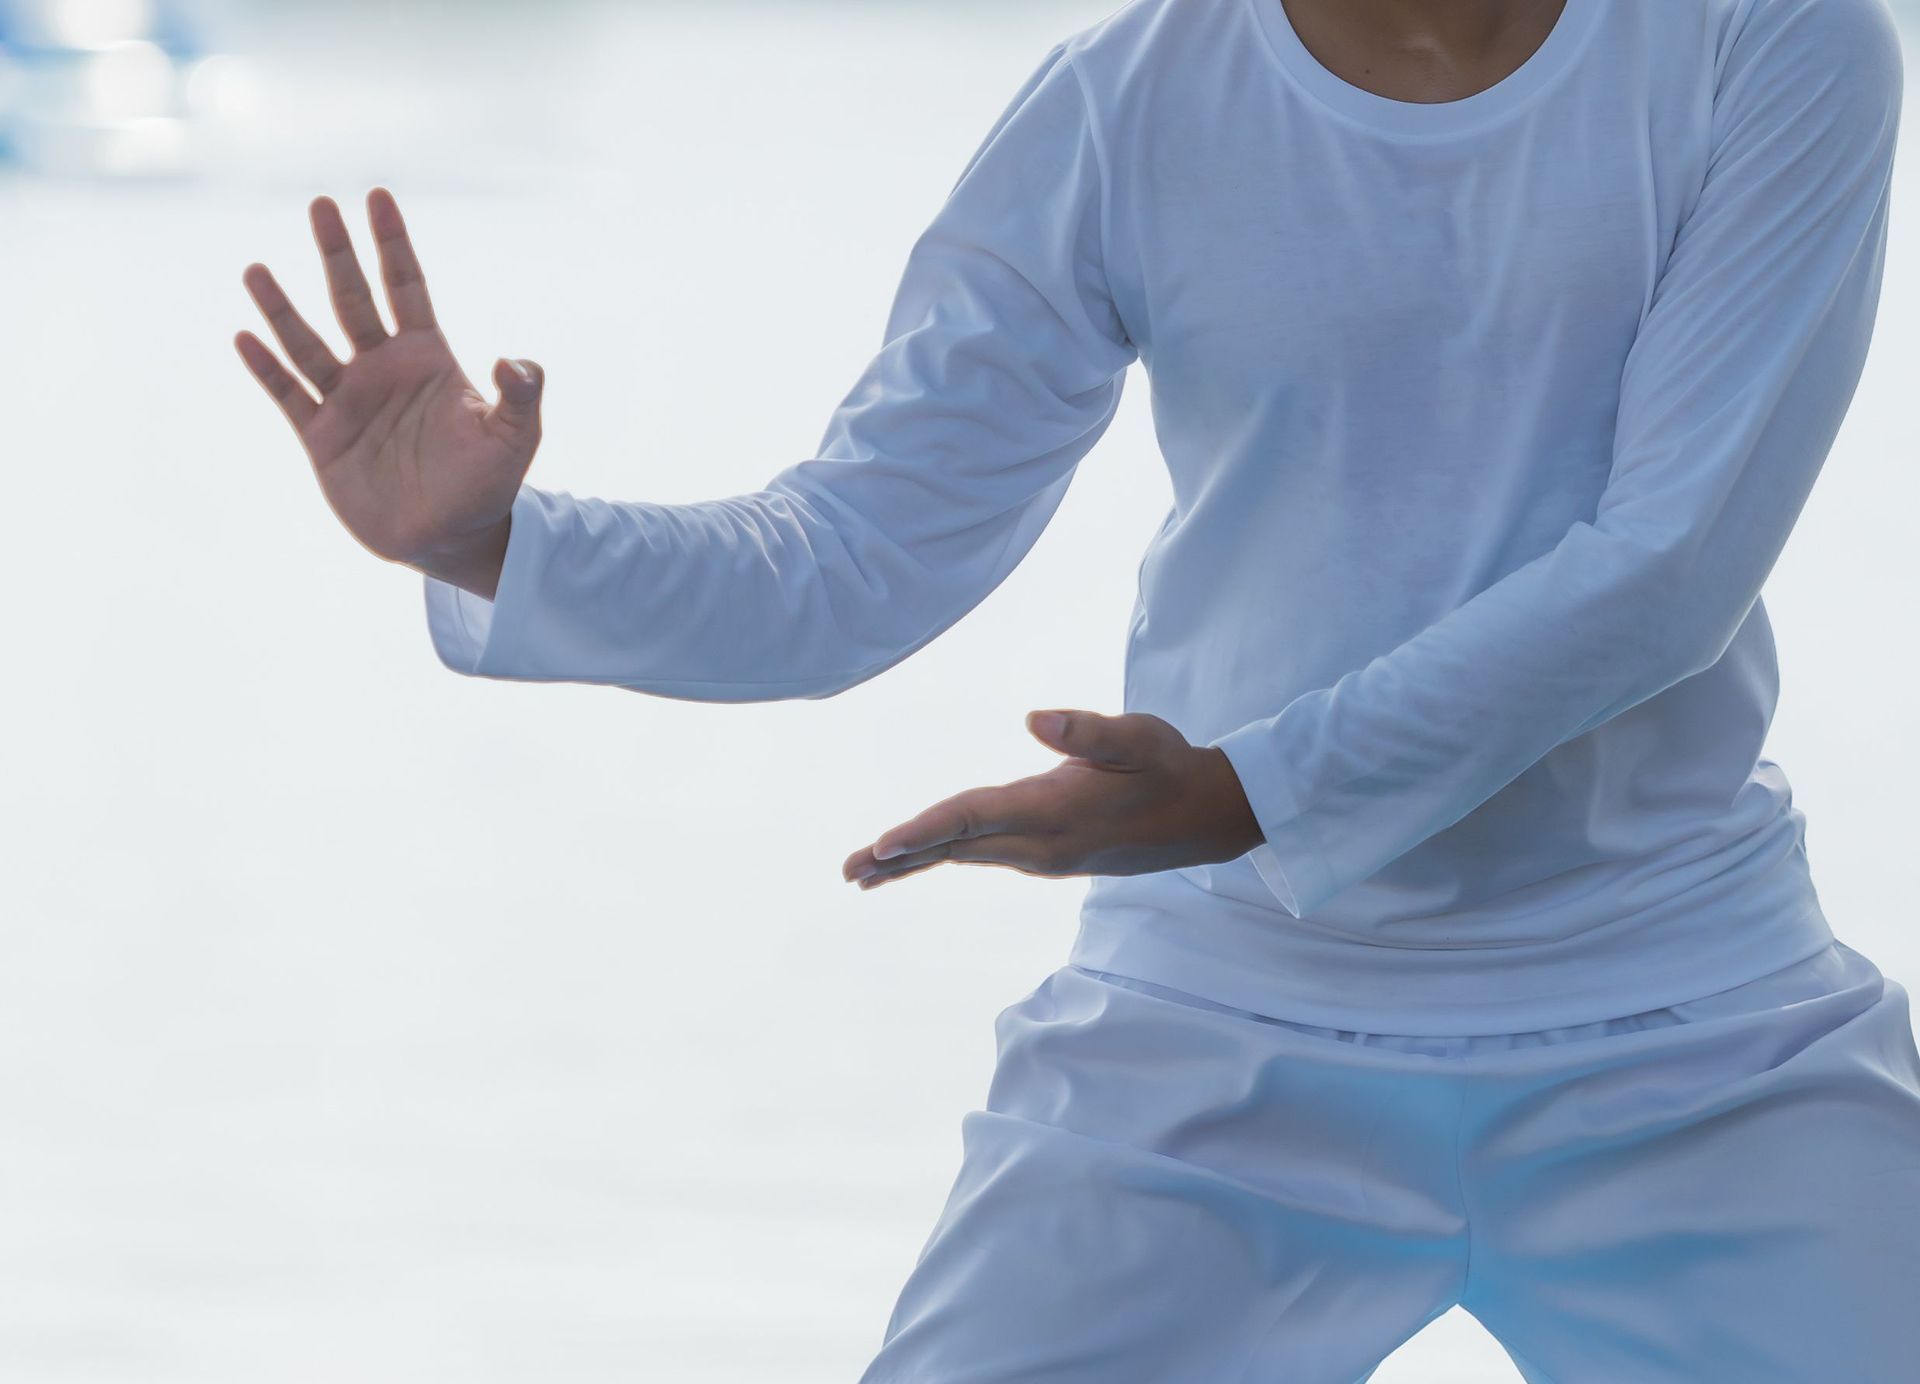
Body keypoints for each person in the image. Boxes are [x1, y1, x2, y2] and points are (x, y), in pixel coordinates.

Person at [235, 0, 1920, 1375]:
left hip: (1693, 1028)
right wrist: (496, 545)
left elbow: (1670, 563)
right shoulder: (1125, 103)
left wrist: (1250, 792)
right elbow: (848, 560)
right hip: (1212, 1032)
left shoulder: (1774, 41)